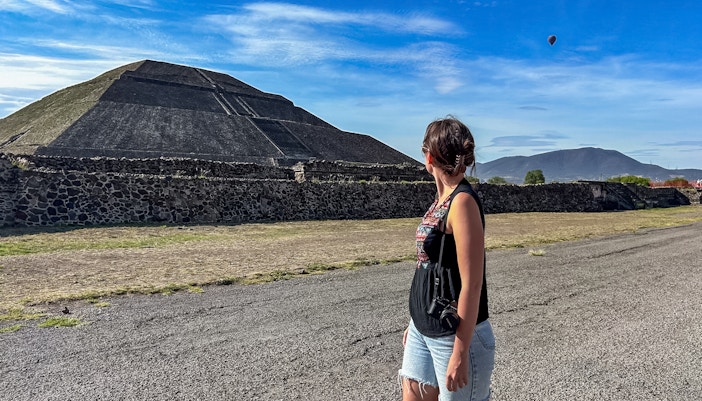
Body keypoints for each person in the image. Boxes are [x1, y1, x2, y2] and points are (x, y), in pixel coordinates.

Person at [399, 117, 495, 401]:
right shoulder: (442, 200)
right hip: (424, 325)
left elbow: (472, 284)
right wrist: (414, 322)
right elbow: (429, 267)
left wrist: (460, 352)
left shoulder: (462, 202)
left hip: (453, 334)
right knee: (412, 392)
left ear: (429, 156)